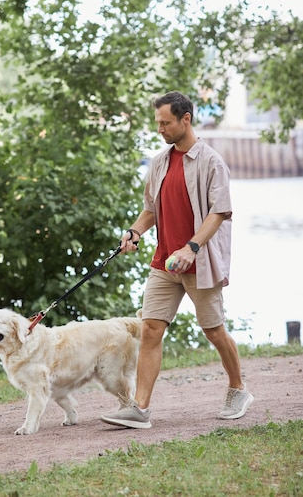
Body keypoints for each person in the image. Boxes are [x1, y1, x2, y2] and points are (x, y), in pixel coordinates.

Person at [101, 91, 254, 429]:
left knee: (214, 331)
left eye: (165, 123)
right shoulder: (159, 162)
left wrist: (192, 248)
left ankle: (238, 389)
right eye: (158, 123)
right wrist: (135, 231)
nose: (160, 129)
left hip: (199, 261)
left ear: (186, 119)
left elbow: (220, 212)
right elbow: (150, 209)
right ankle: (140, 408)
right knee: (150, 329)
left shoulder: (211, 162)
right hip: (164, 263)